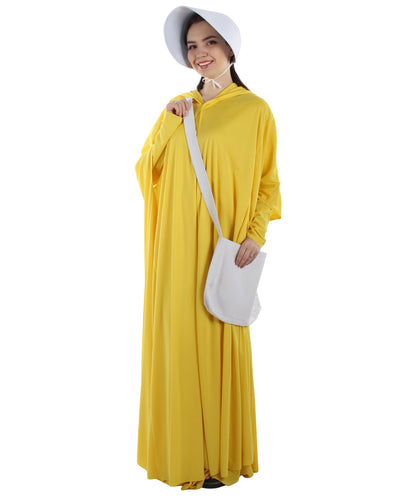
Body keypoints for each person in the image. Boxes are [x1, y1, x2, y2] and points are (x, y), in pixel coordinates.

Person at [134, 5, 282, 491]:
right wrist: (170, 122)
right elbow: (146, 171)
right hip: (175, 248)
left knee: (219, 334)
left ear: (230, 48)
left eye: (210, 42)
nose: (200, 53)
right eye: (192, 46)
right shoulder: (178, 106)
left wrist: (255, 234)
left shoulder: (255, 110)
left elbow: (268, 182)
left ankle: (219, 457)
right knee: (178, 342)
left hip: (222, 248)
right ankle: (183, 456)